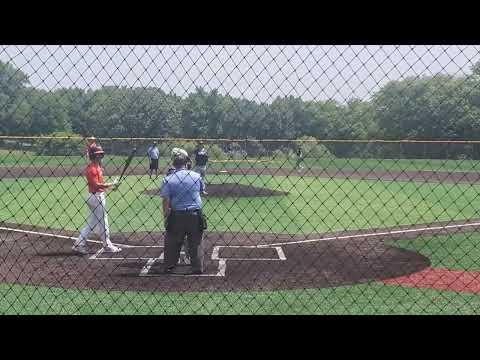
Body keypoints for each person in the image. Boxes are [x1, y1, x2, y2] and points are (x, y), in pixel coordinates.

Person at [160, 147, 207, 274]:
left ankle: (170, 266)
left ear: (173, 164)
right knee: (196, 241)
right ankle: (197, 267)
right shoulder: (196, 176)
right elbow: (201, 191)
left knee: (172, 240)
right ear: (186, 164)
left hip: (177, 215)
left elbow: (165, 199)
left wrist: (166, 215)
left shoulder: (168, 179)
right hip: (195, 214)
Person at [72, 145, 122, 254]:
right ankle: (107, 245)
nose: (100, 156)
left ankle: (78, 244)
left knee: (92, 223)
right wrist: (111, 184)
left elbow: (100, 186)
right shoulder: (92, 169)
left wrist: (111, 187)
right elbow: (96, 185)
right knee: (103, 221)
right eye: (98, 154)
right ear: (93, 156)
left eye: (100, 154)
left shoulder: (98, 167)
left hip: (96, 196)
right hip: (96, 198)